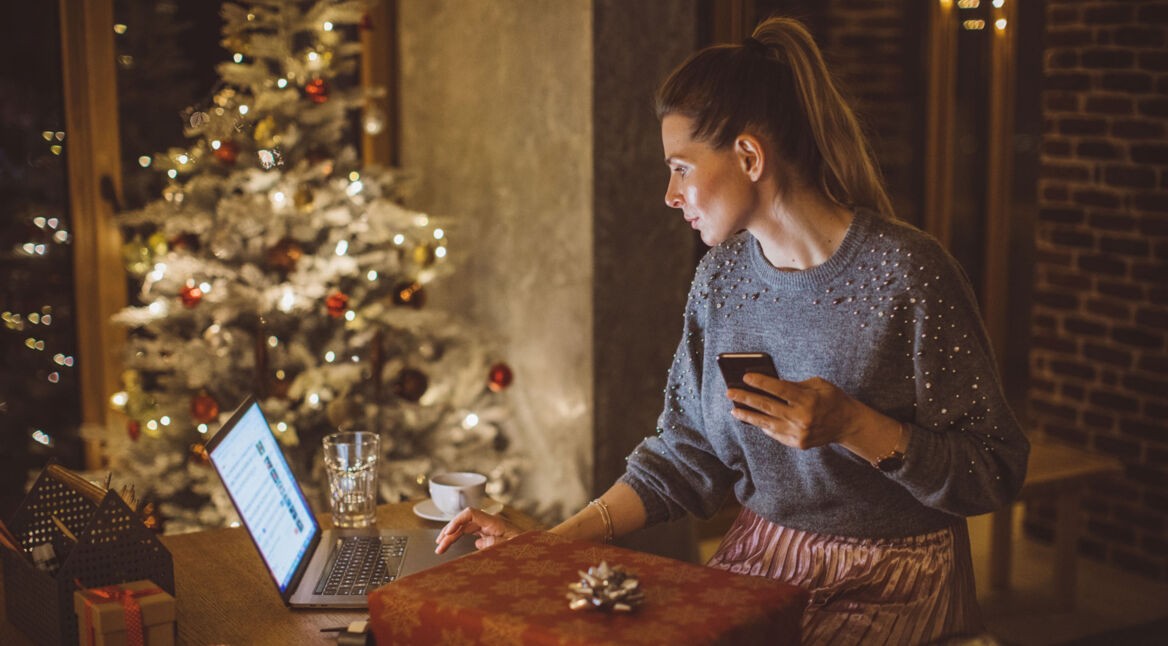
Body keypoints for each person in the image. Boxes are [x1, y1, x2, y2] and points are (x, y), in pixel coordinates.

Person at [436, 15, 1028, 645]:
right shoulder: (721, 277)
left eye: (681, 168)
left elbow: (994, 467)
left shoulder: (907, 273)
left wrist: (856, 425)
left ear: (749, 156)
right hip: (760, 559)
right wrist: (548, 543)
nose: (670, 194)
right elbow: (686, 454)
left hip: (894, 577)